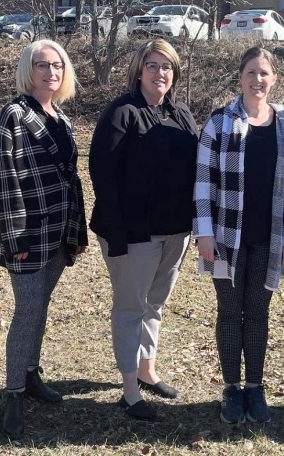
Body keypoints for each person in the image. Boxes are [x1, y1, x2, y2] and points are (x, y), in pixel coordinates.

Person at [193, 46, 284, 424]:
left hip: (269, 238)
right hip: (225, 238)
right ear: (240, 76)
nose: (257, 80)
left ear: (274, 79)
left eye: (264, 73)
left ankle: (255, 388)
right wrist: (204, 234)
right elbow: (203, 182)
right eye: (250, 73)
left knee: (257, 314)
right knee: (228, 313)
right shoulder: (218, 123)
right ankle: (231, 389)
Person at [89, 39, 199, 421]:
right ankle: (130, 390)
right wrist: (117, 234)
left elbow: (196, 174)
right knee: (130, 306)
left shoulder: (182, 114)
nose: (160, 73)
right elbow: (103, 175)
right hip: (134, 233)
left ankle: (147, 368)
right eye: (152, 66)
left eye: (167, 66)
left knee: (155, 302)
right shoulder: (122, 113)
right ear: (139, 70)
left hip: (175, 232)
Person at [0, 39, 88, 439]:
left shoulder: (59, 116)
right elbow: (5, 183)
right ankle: (13, 392)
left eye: (58, 66)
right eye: (43, 65)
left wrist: (77, 230)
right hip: (27, 234)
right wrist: (14, 239)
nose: (51, 73)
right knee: (27, 311)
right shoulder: (12, 116)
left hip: (58, 231)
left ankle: (31, 374)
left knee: (41, 307)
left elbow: (71, 179)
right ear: (28, 70)